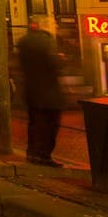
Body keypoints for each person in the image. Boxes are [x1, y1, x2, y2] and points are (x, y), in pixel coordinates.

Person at [18, 17, 65, 167]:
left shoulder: (24, 41)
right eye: (53, 24)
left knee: (35, 123)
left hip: (31, 89)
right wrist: (60, 60)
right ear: (45, 26)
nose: (56, 27)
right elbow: (55, 65)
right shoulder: (48, 41)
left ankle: (32, 153)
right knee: (50, 124)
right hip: (48, 92)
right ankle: (44, 155)